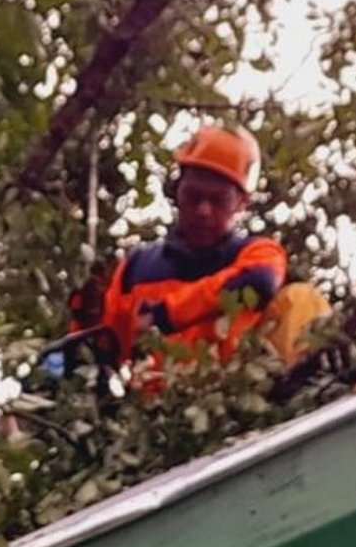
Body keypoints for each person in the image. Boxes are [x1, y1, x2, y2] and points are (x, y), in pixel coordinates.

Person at [95, 126, 330, 391]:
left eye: (219, 200)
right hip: (162, 413)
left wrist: (167, 313)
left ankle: (306, 390)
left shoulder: (259, 254)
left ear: (241, 203)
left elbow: (259, 284)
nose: (204, 211)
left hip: (240, 395)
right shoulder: (137, 268)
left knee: (300, 299)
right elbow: (104, 348)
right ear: (177, 192)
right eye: (194, 196)